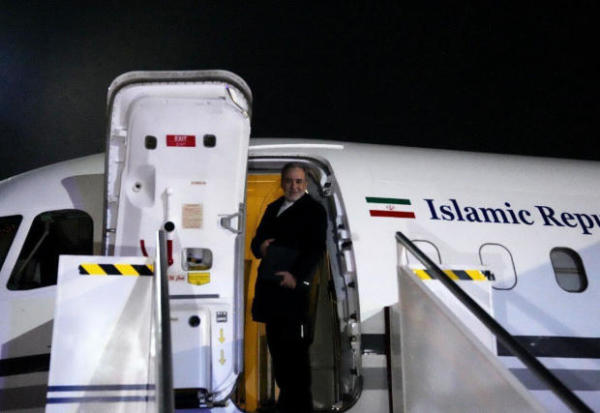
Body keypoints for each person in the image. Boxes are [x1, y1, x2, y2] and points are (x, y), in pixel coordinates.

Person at [251, 163, 327, 413]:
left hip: (293, 293)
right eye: (289, 181)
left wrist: (296, 276)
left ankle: (299, 406)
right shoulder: (273, 208)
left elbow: (316, 249)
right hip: (270, 290)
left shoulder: (314, 211)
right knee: (277, 351)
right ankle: (286, 403)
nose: (293, 186)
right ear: (282, 182)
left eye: (298, 181)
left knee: (295, 353)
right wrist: (261, 247)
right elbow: (255, 242)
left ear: (305, 184)